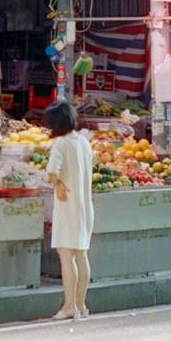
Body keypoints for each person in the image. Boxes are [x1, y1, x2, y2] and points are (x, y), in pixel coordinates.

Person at [44, 100, 95, 322]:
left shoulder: (61, 144)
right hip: (85, 206)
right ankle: (81, 305)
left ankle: (68, 306)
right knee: (81, 254)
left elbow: (52, 172)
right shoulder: (84, 142)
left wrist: (58, 184)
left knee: (66, 257)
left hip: (68, 206)